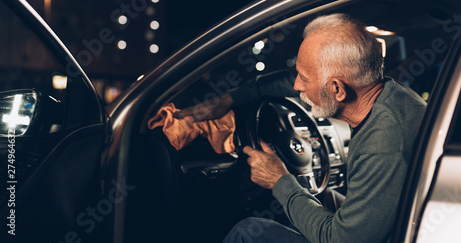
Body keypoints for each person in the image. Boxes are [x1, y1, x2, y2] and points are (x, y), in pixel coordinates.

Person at [176, 13, 427, 243]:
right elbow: (290, 81)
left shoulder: (383, 144)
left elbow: (340, 241)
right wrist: (229, 99)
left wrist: (280, 181)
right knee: (320, 200)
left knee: (248, 232)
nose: (296, 86)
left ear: (337, 89)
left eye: (304, 79)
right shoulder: (394, 96)